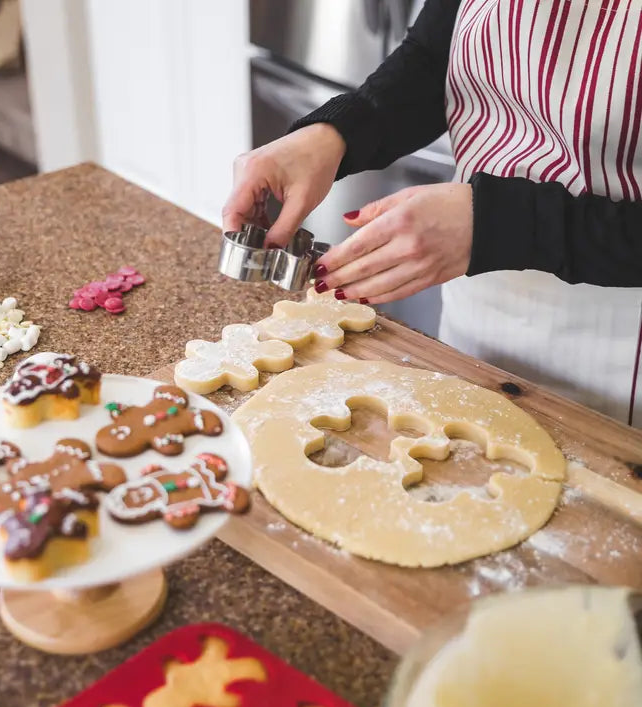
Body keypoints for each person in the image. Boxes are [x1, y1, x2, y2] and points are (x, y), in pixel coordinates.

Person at [223, 0, 642, 427]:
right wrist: (336, 132)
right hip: (477, 311)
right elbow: (434, 57)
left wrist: (496, 225)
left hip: (623, 362)